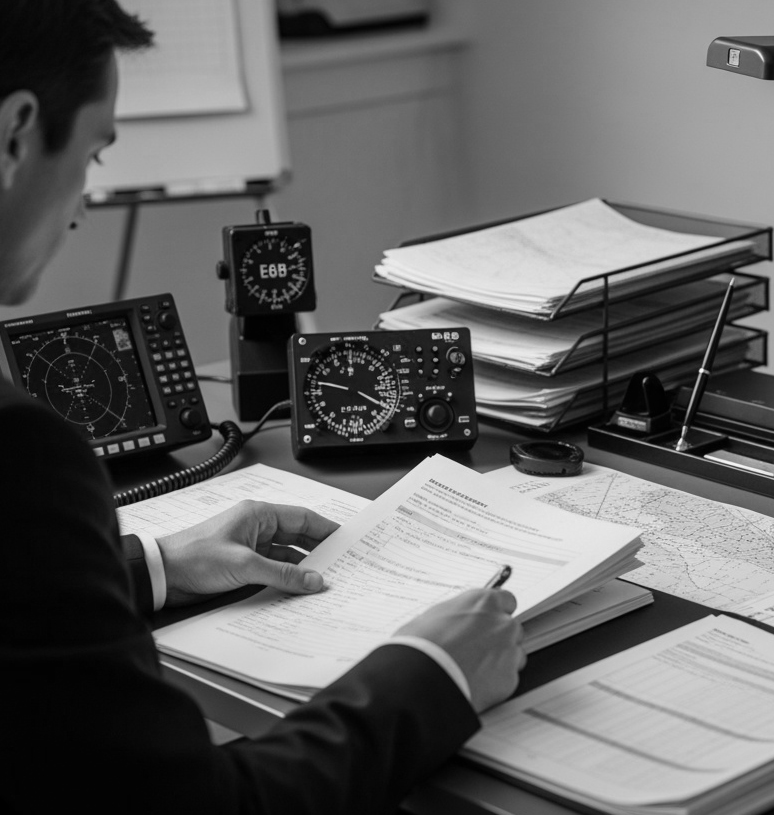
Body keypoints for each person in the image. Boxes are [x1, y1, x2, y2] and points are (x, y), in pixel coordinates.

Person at [0, 2, 524, 812]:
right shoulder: (19, 453)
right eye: (96, 154)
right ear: (15, 135)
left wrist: (155, 567)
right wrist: (433, 672)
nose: (80, 208)